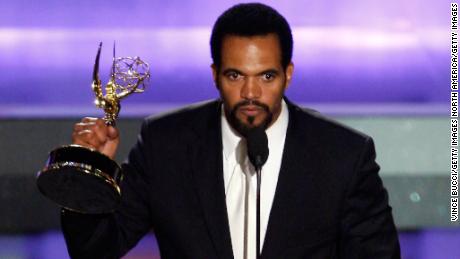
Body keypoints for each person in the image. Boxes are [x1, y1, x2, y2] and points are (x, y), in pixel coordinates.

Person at [62, 3, 401, 259]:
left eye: (266, 76)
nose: (251, 94)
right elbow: (97, 249)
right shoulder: (166, 144)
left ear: (288, 74)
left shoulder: (342, 154)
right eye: (235, 75)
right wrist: (90, 175)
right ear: (215, 74)